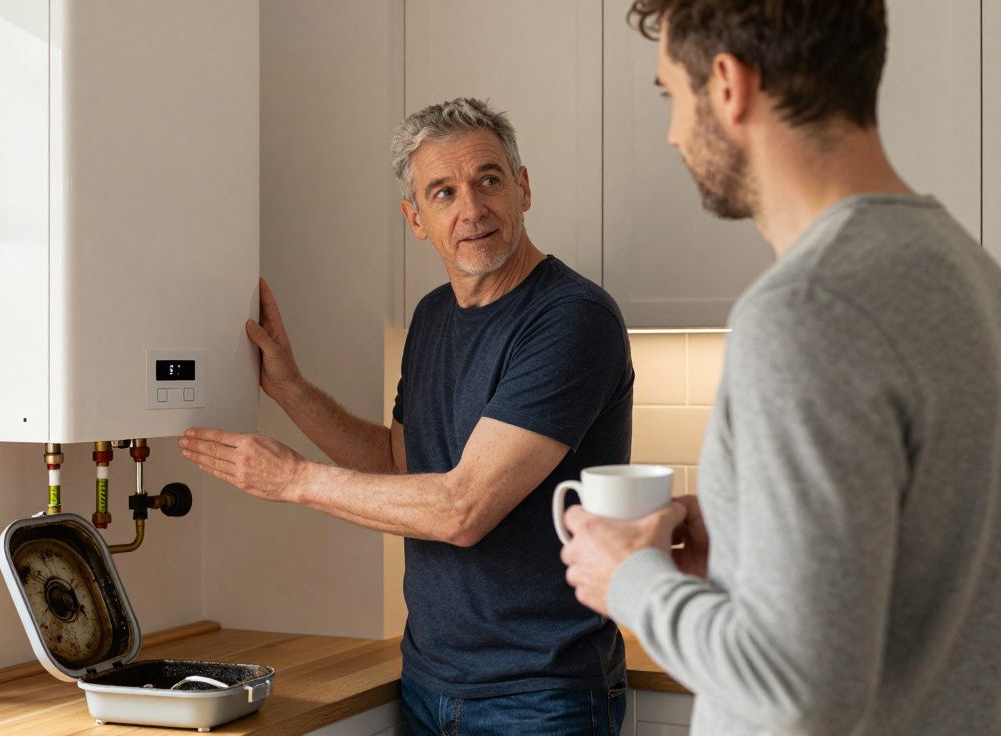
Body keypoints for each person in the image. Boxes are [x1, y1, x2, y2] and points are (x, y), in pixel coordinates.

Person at [561, 2, 1001, 735]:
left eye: (672, 94)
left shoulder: (805, 309)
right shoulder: (970, 273)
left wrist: (632, 583)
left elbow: (801, 693)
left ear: (728, 85)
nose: (672, 133)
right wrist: (739, 562)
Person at [179, 98, 634, 734]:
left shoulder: (571, 319)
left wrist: (293, 480)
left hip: (541, 696)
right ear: (415, 218)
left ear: (523, 187)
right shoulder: (432, 317)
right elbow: (400, 465)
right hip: (428, 681)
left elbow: (462, 509)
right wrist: (291, 390)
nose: (471, 210)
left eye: (489, 180)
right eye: (443, 192)